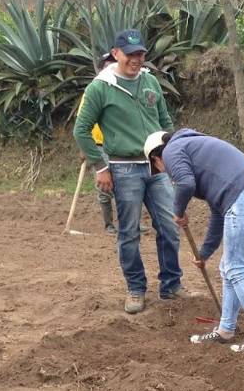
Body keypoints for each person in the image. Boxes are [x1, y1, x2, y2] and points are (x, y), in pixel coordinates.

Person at [73, 29, 185, 313]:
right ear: (116, 53)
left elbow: (164, 120)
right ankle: (136, 289)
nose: (136, 59)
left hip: (156, 168)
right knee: (130, 233)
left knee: (170, 227)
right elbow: (81, 130)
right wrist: (101, 166)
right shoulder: (100, 88)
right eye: (131, 54)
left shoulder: (149, 82)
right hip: (123, 169)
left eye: (141, 54)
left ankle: (171, 285)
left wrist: (166, 154)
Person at [146, 129, 244, 353]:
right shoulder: (196, 149)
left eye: (157, 168)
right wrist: (204, 254)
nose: (162, 171)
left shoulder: (172, 150)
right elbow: (219, 214)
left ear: (156, 158)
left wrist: (178, 211)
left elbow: (185, 184)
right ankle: (225, 330)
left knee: (237, 270)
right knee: (229, 267)